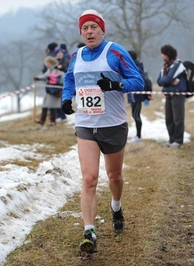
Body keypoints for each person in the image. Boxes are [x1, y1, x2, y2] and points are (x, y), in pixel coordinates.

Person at [61, 9, 144, 254]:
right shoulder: (76, 55)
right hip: (86, 124)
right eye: (84, 28)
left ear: (102, 30)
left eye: (93, 27)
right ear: (81, 32)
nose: (89, 32)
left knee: (114, 177)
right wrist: (67, 98)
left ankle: (116, 206)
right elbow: (69, 79)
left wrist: (117, 84)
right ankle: (89, 231)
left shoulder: (115, 51)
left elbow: (138, 81)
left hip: (113, 124)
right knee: (89, 179)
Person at [156, 44, 187, 148]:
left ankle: (178, 141)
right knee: (169, 118)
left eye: (163, 53)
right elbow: (159, 81)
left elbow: (166, 79)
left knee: (178, 118)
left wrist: (167, 82)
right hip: (169, 95)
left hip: (178, 95)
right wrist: (168, 82)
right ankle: (172, 139)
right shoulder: (165, 66)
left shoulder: (178, 65)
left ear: (168, 54)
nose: (161, 55)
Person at [127, 50, 152, 143]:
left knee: (136, 115)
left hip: (137, 96)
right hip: (133, 96)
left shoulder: (136, 68)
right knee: (134, 115)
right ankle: (137, 135)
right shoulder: (134, 66)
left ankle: (139, 136)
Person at [34, 56, 64, 127]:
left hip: (55, 91)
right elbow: (45, 76)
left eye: (48, 64)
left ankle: (52, 121)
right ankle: (42, 120)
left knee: (52, 106)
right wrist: (38, 78)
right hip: (49, 90)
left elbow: (61, 79)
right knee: (45, 105)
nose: (47, 65)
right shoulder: (49, 70)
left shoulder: (58, 71)